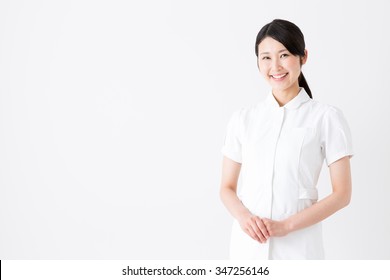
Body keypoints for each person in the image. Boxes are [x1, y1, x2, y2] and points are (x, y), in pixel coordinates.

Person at [220, 19, 353, 260]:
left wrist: (286, 226)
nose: (275, 66)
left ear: (303, 56)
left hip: (299, 248)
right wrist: (244, 218)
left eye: (284, 55)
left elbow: (342, 194)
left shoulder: (326, 117)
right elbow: (226, 188)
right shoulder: (243, 119)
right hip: (247, 248)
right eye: (266, 57)